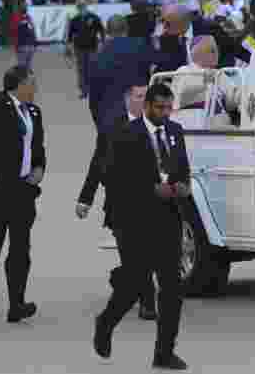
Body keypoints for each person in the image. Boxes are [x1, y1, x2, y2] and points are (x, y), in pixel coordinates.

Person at [93, 82, 191, 370]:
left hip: (168, 220)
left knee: (172, 288)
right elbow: (113, 177)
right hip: (135, 221)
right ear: (147, 106)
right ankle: (106, 322)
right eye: (159, 108)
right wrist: (150, 190)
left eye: (168, 108)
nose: (164, 113)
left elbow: (182, 166)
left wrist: (183, 185)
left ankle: (164, 352)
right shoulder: (126, 134)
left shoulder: (175, 132)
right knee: (134, 285)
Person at [0, 66, 46, 323]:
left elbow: (38, 146)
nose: (36, 89)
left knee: (21, 247)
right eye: (32, 83)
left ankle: (17, 303)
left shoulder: (34, 112)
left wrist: (39, 167)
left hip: (23, 188)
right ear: (19, 85)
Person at [77, 78, 156, 319]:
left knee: (146, 253)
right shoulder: (111, 128)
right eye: (139, 96)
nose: (143, 101)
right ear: (127, 100)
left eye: (146, 96)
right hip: (120, 205)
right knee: (132, 255)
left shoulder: (158, 127)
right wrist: (85, 199)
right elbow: (97, 164)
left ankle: (146, 301)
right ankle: (136, 290)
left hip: (152, 203)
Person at [171, 36, 241, 127]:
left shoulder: (219, 73)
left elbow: (232, 98)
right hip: (192, 118)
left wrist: (244, 94)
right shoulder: (184, 70)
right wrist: (204, 80)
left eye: (217, 50)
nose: (217, 54)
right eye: (212, 50)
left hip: (218, 118)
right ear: (197, 53)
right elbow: (182, 93)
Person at [66, 0, 105, 99]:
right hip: (79, 48)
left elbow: (101, 30)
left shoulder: (94, 17)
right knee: (81, 70)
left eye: (83, 5)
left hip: (92, 47)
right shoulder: (74, 20)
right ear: (77, 7)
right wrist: (69, 48)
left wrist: (102, 43)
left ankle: (93, 90)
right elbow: (70, 35)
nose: (81, 7)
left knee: (92, 69)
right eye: (79, 5)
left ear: (86, 5)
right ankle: (84, 91)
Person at [11, 0, 38, 70]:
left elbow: (14, 31)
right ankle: (28, 78)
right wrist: (35, 44)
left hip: (22, 45)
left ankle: (24, 78)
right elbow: (33, 31)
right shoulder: (28, 18)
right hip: (30, 45)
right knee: (28, 66)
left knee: (22, 66)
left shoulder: (16, 17)